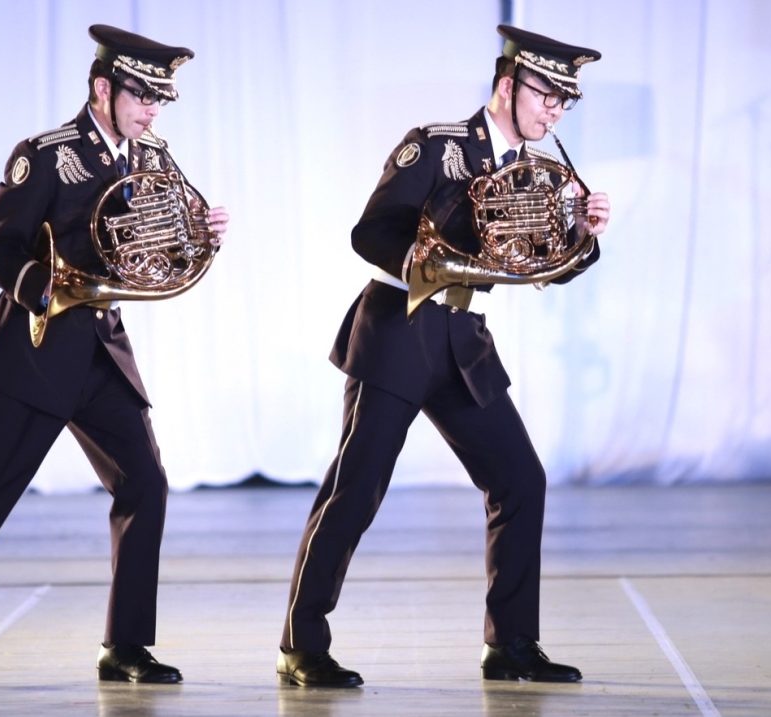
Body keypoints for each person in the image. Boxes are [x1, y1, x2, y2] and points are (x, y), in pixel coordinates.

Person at [0, 24, 229, 689]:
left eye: (159, 101)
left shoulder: (152, 155)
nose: (151, 111)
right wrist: (46, 286)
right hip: (33, 351)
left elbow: (163, 247)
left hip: (101, 351)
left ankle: (125, 645)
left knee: (145, 482)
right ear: (103, 88)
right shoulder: (45, 155)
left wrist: (200, 234)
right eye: (141, 97)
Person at [276, 25, 611, 687]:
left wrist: (582, 232)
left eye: (565, 102)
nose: (555, 111)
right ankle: (301, 645)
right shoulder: (438, 145)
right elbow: (369, 230)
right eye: (547, 94)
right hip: (399, 329)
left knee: (521, 480)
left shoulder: (530, 174)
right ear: (508, 85)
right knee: (356, 490)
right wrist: (421, 261)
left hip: (463, 338)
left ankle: (511, 644)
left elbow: (542, 265)